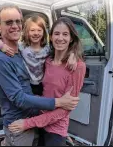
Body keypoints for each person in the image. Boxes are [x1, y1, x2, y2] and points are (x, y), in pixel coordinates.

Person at [0, 3, 80, 146]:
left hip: (36, 120)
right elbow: (18, 99)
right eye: (8, 22)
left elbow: (62, 45)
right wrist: (58, 102)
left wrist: (73, 53)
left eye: (18, 21)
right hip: (19, 125)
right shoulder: (0, 59)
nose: (15, 25)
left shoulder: (19, 51)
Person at [8, 17, 86, 146]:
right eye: (56, 33)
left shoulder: (77, 66)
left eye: (65, 34)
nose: (60, 38)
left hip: (55, 129)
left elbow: (64, 110)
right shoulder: (47, 60)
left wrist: (27, 123)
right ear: (50, 37)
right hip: (39, 123)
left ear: (71, 38)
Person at [0, 15, 77, 96]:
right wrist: (1, 45)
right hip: (27, 84)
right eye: (32, 30)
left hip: (42, 84)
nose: (36, 33)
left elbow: (64, 49)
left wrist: (72, 55)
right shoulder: (22, 47)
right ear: (27, 32)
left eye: (39, 30)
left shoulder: (48, 49)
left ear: (44, 32)